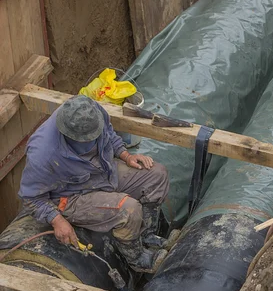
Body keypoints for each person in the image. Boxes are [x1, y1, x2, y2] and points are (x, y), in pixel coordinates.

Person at [19, 95, 170, 273]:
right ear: (67, 133)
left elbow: (109, 135)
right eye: (84, 139)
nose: (90, 140)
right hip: (71, 195)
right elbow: (30, 197)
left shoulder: (92, 111)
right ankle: (137, 259)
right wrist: (57, 220)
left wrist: (126, 155)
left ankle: (147, 235)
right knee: (128, 209)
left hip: (103, 172)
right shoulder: (43, 154)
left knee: (157, 175)